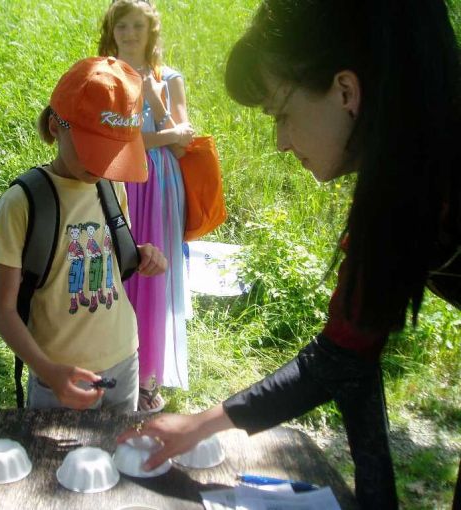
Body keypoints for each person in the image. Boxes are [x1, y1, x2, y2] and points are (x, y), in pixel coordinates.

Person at [117, 0, 461, 508]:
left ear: (346, 91)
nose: (280, 142)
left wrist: (200, 424)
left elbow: (345, 359)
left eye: (282, 115)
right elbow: (348, 356)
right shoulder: (398, 184)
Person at [0, 56, 167, 412]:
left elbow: (108, 254)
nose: (102, 165)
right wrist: (48, 371)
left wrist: (143, 253)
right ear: (56, 126)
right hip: (59, 375)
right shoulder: (22, 203)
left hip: (124, 357)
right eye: (93, 150)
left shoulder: (112, 187)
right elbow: (3, 310)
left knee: (118, 448)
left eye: (113, 152)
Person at [98, 0, 194, 412]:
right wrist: (162, 136)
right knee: (114, 267)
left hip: (159, 186)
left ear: (151, 30)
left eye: (138, 25)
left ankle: (147, 377)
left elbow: (185, 142)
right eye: (122, 25)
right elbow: (109, 137)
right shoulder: (104, 76)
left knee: (153, 273)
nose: (130, 33)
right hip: (118, 178)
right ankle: (108, 365)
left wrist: (155, 102)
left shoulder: (168, 79)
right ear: (112, 30)